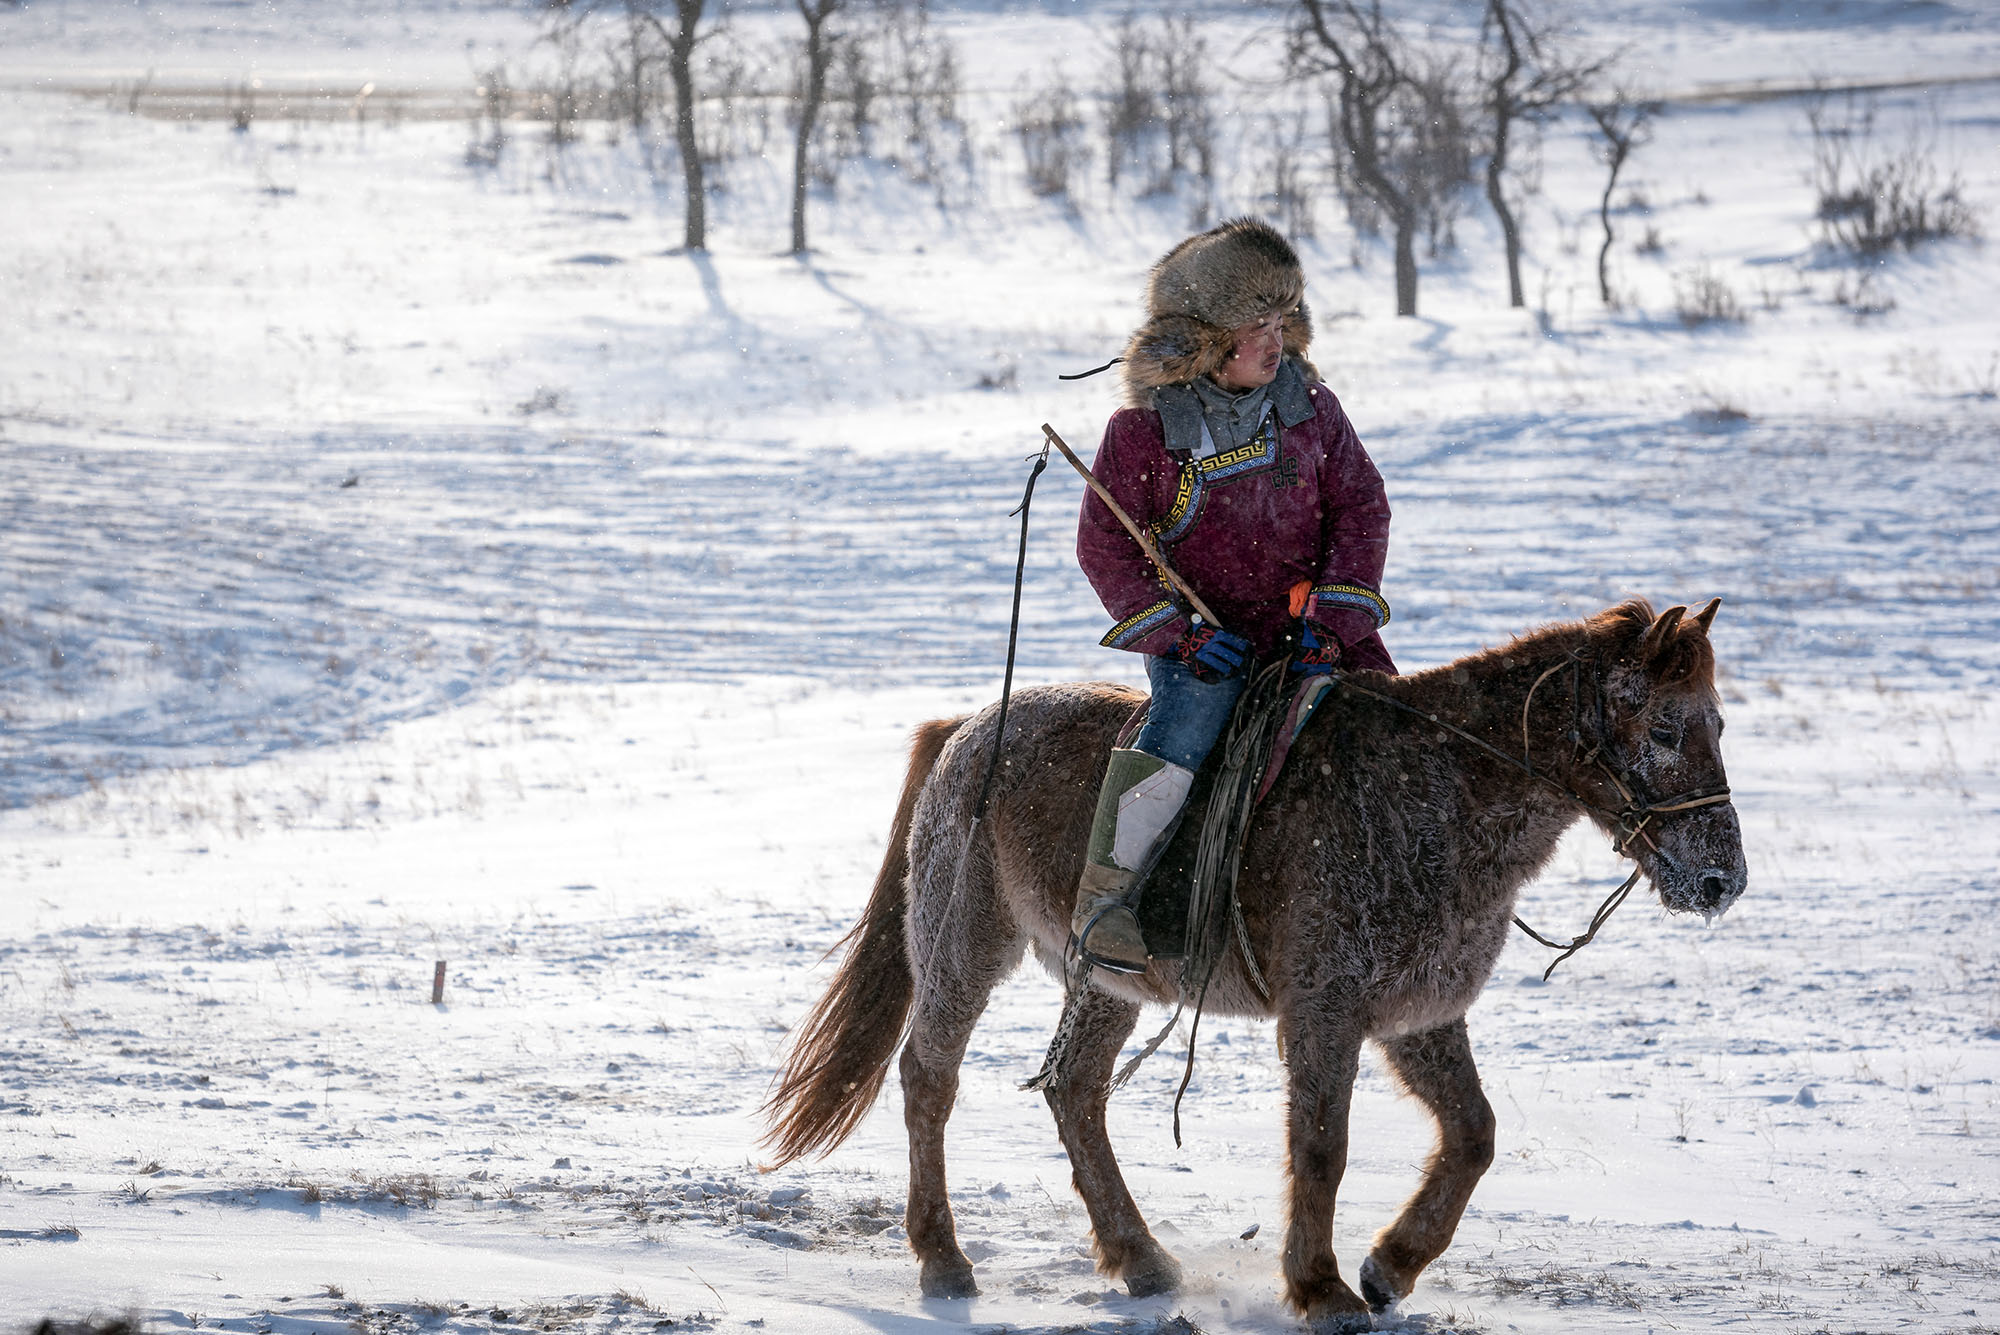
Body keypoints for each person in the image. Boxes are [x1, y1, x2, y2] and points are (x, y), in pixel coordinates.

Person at [1071, 217, 1396, 975]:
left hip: (1314, 632)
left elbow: (1361, 507)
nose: (1275, 341)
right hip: (1207, 648)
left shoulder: (1314, 409)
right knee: (1185, 728)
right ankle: (1108, 903)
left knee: (1394, 728)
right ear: (1210, 340)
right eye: (1257, 326)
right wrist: (1179, 636)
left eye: (1283, 322)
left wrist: (1336, 617)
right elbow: (1106, 548)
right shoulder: (1142, 436)